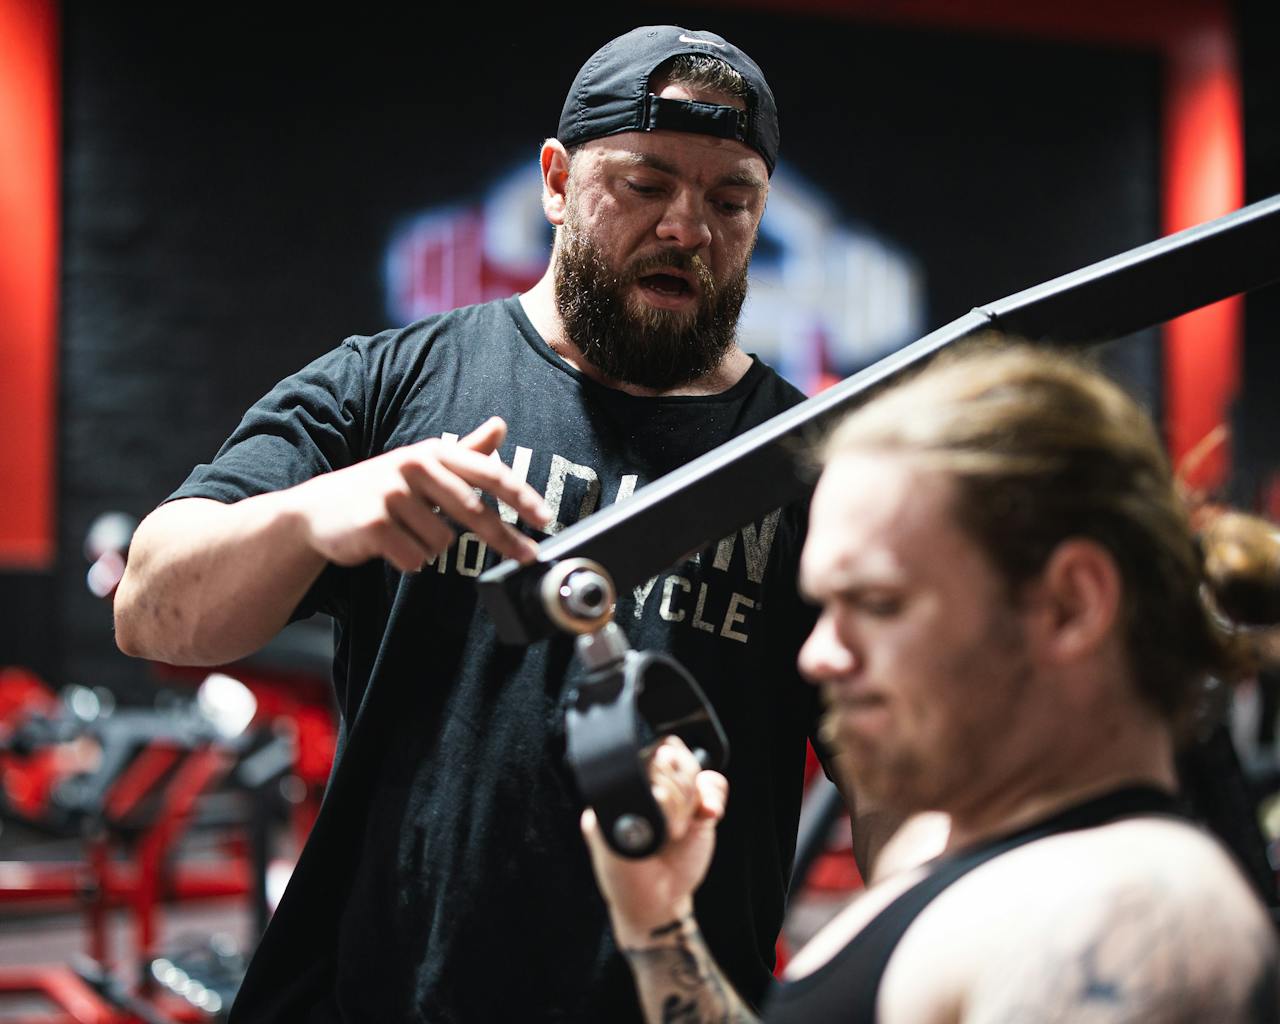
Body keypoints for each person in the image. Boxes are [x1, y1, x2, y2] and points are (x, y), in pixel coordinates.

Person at [114, 25, 834, 1023]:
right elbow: (154, 609)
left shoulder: (815, 468)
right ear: (553, 180)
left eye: (730, 200)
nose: (686, 228)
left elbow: (912, 799)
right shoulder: (389, 383)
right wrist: (315, 513)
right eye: (645, 182)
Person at [583, 342, 1280, 1022]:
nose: (818, 656)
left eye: (879, 605)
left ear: (1070, 605)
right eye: (826, 609)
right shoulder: (989, 871)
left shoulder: (1130, 921)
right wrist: (659, 924)